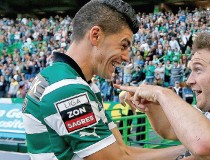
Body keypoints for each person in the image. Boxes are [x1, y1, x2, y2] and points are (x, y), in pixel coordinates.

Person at [21, 1, 185, 160]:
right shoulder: (67, 88)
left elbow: (123, 152)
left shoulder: (74, 81)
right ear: (95, 35)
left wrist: (192, 151)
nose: (127, 57)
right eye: (123, 45)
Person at [118, 33, 210, 159]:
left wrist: (161, 93)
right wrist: (147, 102)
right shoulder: (205, 115)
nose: (189, 80)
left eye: (198, 70)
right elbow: (169, 129)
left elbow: (205, 144)